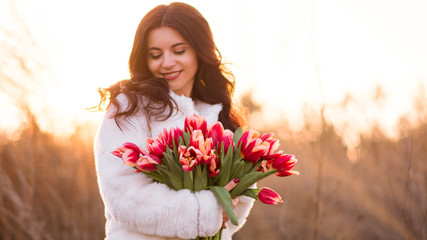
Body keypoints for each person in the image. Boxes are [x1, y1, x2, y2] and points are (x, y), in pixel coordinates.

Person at [94, 2, 254, 240]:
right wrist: (204, 212)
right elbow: (124, 198)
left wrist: (223, 209)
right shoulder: (129, 107)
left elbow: (234, 206)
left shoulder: (215, 113)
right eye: (155, 55)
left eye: (179, 51)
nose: (167, 63)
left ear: (200, 51)